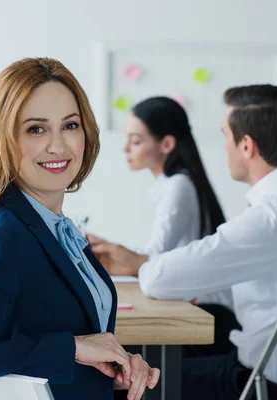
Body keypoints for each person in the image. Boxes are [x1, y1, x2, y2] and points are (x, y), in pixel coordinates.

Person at [91, 85, 277, 400]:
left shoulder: (274, 217)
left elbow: (159, 278)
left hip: (266, 388)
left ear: (246, 145)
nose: (224, 148)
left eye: (225, 136)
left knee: (121, 379)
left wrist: (140, 264)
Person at [0, 58, 159, 400]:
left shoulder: (56, 229)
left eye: (70, 125)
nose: (58, 146)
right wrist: (74, 348)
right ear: (6, 139)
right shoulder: (6, 233)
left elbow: (49, 345)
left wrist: (115, 368)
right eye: (36, 129)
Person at [88, 96, 237, 356]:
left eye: (135, 141)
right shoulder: (170, 185)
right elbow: (159, 256)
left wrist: (117, 252)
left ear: (167, 144)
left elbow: (156, 258)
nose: (125, 148)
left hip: (207, 312)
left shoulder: (178, 186)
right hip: (196, 306)